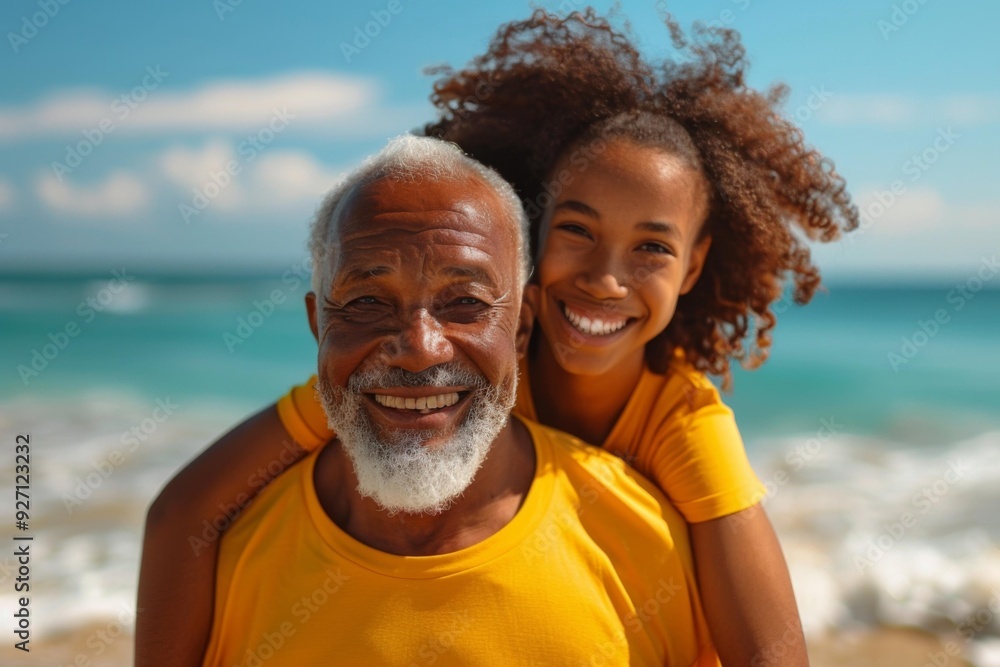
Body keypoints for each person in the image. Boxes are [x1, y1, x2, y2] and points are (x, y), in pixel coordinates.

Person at [137, 10, 857, 666]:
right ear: (533, 251)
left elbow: (769, 652)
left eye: (653, 249)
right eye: (576, 230)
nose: (605, 280)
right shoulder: (413, 377)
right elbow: (182, 510)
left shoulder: (685, 426)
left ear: (694, 265)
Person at [195, 133, 719, 665]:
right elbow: (179, 512)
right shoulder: (229, 559)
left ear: (520, 327)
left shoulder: (649, 545)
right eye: (369, 300)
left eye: (465, 301)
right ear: (318, 323)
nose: (420, 350)